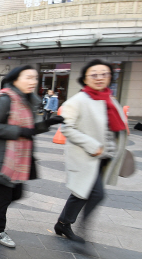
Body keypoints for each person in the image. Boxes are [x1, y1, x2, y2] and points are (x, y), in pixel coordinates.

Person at [0, 66, 62, 248]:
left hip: (19, 158)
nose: (33, 81)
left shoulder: (28, 100)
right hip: (3, 158)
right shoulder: (7, 99)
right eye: (28, 77)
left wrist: (47, 123)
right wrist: (19, 131)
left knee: (16, 193)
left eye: (35, 78)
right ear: (15, 79)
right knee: (5, 195)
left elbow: (29, 130)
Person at [54, 59, 128, 243]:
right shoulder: (79, 100)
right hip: (85, 156)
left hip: (105, 156)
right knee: (96, 193)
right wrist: (93, 146)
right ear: (85, 79)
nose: (99, 78)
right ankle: (83, 229)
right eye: (94, 74)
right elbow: (67, 128)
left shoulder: (109, 99)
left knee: (82, 191)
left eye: (104, 74)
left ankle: (63, 223)